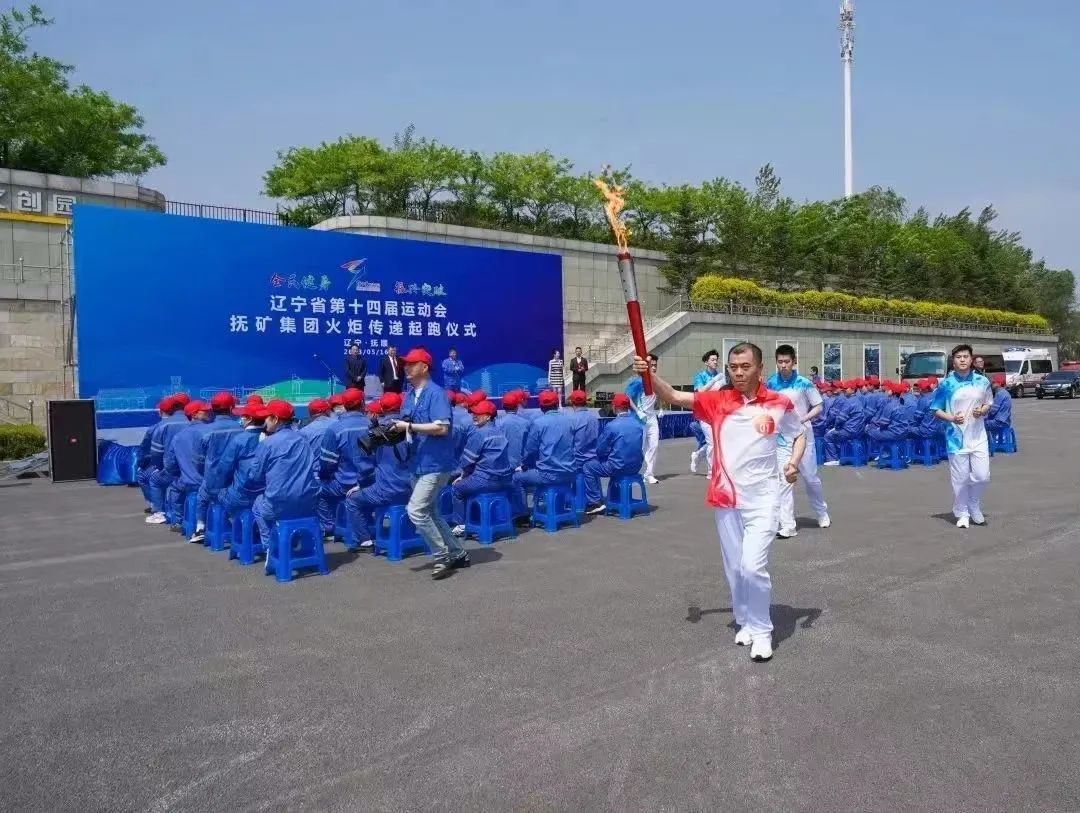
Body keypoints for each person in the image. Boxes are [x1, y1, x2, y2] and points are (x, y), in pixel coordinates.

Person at [633, 343, 805, 663]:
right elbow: (673, 397)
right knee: (735, 569)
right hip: (727, 498)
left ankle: (763, 630)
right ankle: (744, 621)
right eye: (733, 367)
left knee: (753, 566)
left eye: (745, 366)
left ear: (759, 367)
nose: (738, 372)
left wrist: (793, 463)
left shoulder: (779, 403)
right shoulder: (717, 401)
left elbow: (799, 434)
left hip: (763, 498)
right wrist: (650, 374)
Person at [390, 347, 470, 579]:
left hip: (436, 463)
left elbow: (442, 427)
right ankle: (458, 553)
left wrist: (409, 427)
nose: (406, 367)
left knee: (415, 510)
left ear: (424, 367)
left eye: (411, 364)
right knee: (431, 512)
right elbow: (407, 423)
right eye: (405, 364)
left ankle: (441, 556)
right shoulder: (409, 395)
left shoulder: (436, 393)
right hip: (417, 462)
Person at [766, 345, 830, 537]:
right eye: (780, 362)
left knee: (810, 478)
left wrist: (802, 419)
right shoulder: (771, 383)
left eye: (787, 362)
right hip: (782, 437)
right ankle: (788, 524)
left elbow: (818, 405)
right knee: (784, 479)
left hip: (803, 434)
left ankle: (821, 511)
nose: (783, 365)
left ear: (794, 362)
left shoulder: (804, 383)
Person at [932, 344, 993, 529]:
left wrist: (982, 410)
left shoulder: (982, 381)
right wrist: (951, 417)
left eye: (966, 356)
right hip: (956, 438)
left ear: (971, 359)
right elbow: (935, 409)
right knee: (960, 479)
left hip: (978, 435)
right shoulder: (947, 384)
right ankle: (962, 512)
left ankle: (973, 502)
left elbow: (989, 402)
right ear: (954, 360)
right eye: (959, 357)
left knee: (983, 476)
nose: (963, 360)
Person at [245, 400, 320, 546]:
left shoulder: (268, 443)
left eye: (267, 418)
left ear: (276, 419)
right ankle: (295, 543)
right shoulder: (303, 439)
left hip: (279, 505)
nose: (264, 422)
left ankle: (271, 548)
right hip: (309, 502)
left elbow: (255, 476)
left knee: (258, 506)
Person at [344, 391, 413, 549]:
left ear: (381, 408)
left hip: (386, 491)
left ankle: (365, 540)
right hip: (414, 489)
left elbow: (365, 467)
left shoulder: (374, 432)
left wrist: (361, 485)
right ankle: (410, 533)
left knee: (352, 500)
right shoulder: (412, 428)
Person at [449, 400, 514, 534]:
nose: (474, 416)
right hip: (505, 480)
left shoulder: (479, 434)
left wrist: (462, 476)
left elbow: (467, 462)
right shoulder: (500, 432)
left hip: (485, 480)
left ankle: (461, 525)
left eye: (478, 414)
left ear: (488, 416)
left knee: (456, 488)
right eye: (474, 413)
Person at [317, 387, 374, 540]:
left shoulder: (335, 429)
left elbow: (327, 465)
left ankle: (329, 528)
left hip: (345, 485)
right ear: (362, 404)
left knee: (317, 488)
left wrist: (323, 476)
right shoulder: (372, 424)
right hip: (371, 482)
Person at [188, 392, 243, 543]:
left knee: (202, 497)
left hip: (213, 480)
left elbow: (198, 459)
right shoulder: (240, 429)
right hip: (235, 481)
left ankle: (200, 527)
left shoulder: (207, 431)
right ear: (231, 408)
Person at [510, 390, 575, 520]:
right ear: (557, 404)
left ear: (541, 407)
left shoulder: (538, 423)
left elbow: (530, 450)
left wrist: (524, 466)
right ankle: (559, 507)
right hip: (570, 472)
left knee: (516, 478)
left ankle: (521, 515)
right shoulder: (570, 420)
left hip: (547, 474)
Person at [582, 393, 644, 514]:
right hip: (636, 466)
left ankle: (594, 502)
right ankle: (617, 497)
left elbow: (600, 450)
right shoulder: (638, 425)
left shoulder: (612, 426)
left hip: (617, 466)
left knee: (588, 467)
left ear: (614, 407)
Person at [144, 397, 197, 525]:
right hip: (197, 470)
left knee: (154, 479)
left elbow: (157, 454)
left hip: (177, 471)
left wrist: (159, 467)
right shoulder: (199, 424)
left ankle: (159, 512)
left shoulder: (162, 425)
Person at [163, 400, 214, 530]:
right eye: (204, 410)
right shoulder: (212, 431)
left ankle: (179, 521)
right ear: (194, 414)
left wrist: (178, 473)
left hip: (189, 482)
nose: (208, 412)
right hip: (212, 483)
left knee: (174, 489)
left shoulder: (179, 436)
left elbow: (170, 464)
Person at [212, 401, 268, 520]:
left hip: (241, 497)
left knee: (217, 494)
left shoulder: (239, 440)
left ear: (249, 419)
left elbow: (224, 469)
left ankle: (233, 527)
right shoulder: (271, 438)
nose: (240, 418)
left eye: (243, 416)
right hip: (265, 495)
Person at [136, 397, 176, 512]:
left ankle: (158, 509)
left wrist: (141, 463)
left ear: (160, 411)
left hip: (168, 467)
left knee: (144, 476)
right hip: (189, 466)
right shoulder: (189, 423)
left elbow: (148, 451)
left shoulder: (156, 428)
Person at [625, 353, 660, 485]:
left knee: (654, 445)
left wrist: (660, 408)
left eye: (656, 366)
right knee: (640, 447)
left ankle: (649, 474)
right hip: (639, 418)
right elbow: (627, 397)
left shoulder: (655, 381)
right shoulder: (637, 382)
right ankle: (633, 472)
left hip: (652, 417)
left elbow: (658, 396)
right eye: (652, 366)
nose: (654, 368)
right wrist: (638, 411)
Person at [691, 349, 725, 476]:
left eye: (716, 359)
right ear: (706, 362)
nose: (715, 362)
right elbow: (700, 391)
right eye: (712, 360)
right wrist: (713, 380)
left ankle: (698, 454)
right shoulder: (700, 376)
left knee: (718, 442)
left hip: (718, 414)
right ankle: (711, 471)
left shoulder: (721, 376)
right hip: (704, 414)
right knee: (711, 443)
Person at [822, 379, 868, 465]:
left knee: (828, 436)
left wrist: (836, 427)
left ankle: (833, 459)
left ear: (852, 389)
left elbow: (840, 419)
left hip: (849, 430)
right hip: (859, 430)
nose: (844, 391)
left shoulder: (849, 402)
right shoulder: (858, 400)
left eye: (846, 389)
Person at [567, 389, 599, 472]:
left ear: (572, 403)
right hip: (593, 463)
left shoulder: (570, 419)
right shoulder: (594, 418)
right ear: (585, 402)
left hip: (577, 465)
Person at [499, 390, 531, 469]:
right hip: (522, 466)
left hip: (503, 466)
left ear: (503, 406)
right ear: (517, 405)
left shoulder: (498, 423)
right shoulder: (526, 422)